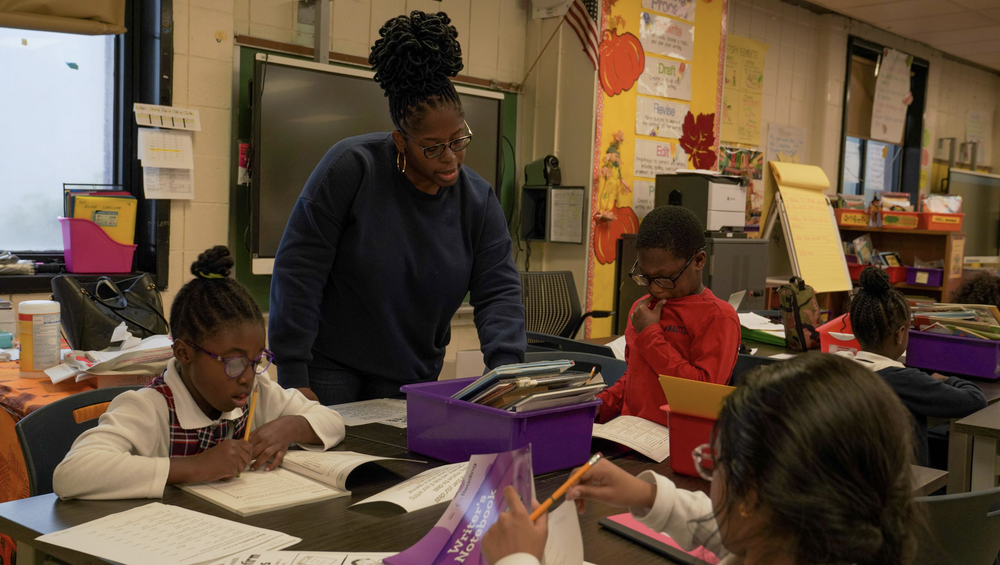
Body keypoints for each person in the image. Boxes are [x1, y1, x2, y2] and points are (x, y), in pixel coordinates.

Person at [267, 10, 524, 405]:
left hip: (413, 372)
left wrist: (504, 372)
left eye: (459, 140)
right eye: (432, 147)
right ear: (401, 141)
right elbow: (299, 270)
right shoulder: (352, 168)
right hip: (330, 367)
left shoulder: (478, 200)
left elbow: (498, 292)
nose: (450, 158)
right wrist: (292, 374)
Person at [483, 354, 921, 565]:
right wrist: (648, 495)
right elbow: (735, 528)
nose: (711, 481)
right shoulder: (806, 543)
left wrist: (516, 560)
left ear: (751, 496)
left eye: (716, 465)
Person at [53, 246, 345, 499]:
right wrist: (197, 467)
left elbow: (333, 421)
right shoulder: (150, 408)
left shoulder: (259, 391)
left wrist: (292, 426)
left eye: (256, 360)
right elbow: (71, 474)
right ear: (184, 353)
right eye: (234, 363)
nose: (248, 376)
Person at [596, 206, 740, 426]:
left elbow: (700, 394)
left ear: (699, 261)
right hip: (632, 432)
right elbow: (636, 380)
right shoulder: (642, 310)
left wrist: (650, 335)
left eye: (665, 278)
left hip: (677, 437)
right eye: (645, 277)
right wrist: (600, 405)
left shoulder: (718, 317)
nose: (655, 288)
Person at [848, 266, 986, 466]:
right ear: (900, 334)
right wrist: (948, 380)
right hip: (909, 481)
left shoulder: (841, 370)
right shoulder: (905, 380)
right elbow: (976, 399)